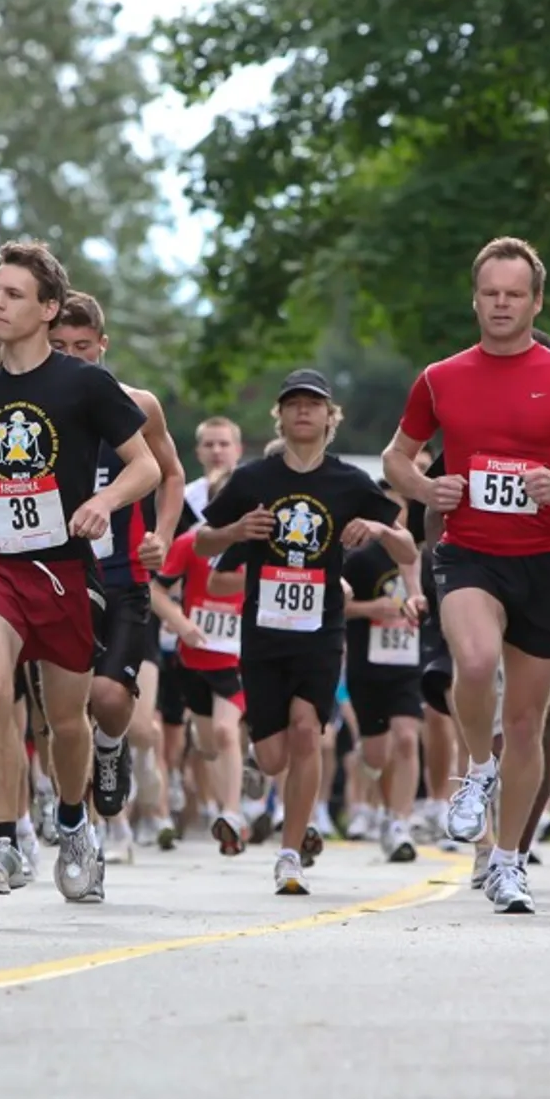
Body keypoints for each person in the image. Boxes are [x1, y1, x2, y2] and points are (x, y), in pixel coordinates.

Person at [382, 238, 550, 915]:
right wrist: (426, 488)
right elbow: (396, 458)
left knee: (524, 723)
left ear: (536, 301)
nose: (501, 304)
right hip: (468, 553)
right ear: (475, 299)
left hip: (542, 562)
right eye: (490, 293)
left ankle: (509, 861)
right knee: (474, 658)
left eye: (514, 294)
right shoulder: (441, 378)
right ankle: (476, 770)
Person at [0, 241, 158, 900]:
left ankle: (74, 822)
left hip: (65, 571)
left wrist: (104, 502)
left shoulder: (85, 383)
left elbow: (144, 465)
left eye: (13, 294)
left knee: (66, 719)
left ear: (48, 307)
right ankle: (5, 840)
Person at [198, 369, 415, 894]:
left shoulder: (349, 482)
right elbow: (203, 543)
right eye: (293, 403)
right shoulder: (253, 479)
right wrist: (236, 531)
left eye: (313, 404)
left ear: (329, 417)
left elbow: (408, 548)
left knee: (307, 731)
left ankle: (290, 853)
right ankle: (258, 761)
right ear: (280, 415)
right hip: (264, 630)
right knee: (275, 757)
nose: (302, 411)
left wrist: (378, 528)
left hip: (322, 629)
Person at [47, 293, 187, 849]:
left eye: (84, 346)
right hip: (61, 575)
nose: (73, 356)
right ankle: (70, 819)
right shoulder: (39, 409)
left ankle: (111, 746)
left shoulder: (138, 405)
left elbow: (171, 474)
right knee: (64, 707)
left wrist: (162, 537)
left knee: (107, 697)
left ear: (103, 346)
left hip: (124, 575)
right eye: (60, 346)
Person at [151, 502, 250, 854]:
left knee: (225, 731)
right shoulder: (190, 544)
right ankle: (241, 775)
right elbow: (155, 590)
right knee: (209, 745)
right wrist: (181, 623)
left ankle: (232, 815)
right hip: (195, 657)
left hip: (239, 657)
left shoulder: (258, 548)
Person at [342, 482, 426, 862]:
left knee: (407, 739)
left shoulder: (420, 558)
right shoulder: (359, 558)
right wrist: (369, 609)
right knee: (377, 754)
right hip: (367, 665)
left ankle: (399, 822)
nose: (391, 519)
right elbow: (335, 605)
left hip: (408, 665)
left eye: (398, 510)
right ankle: (377, 800)